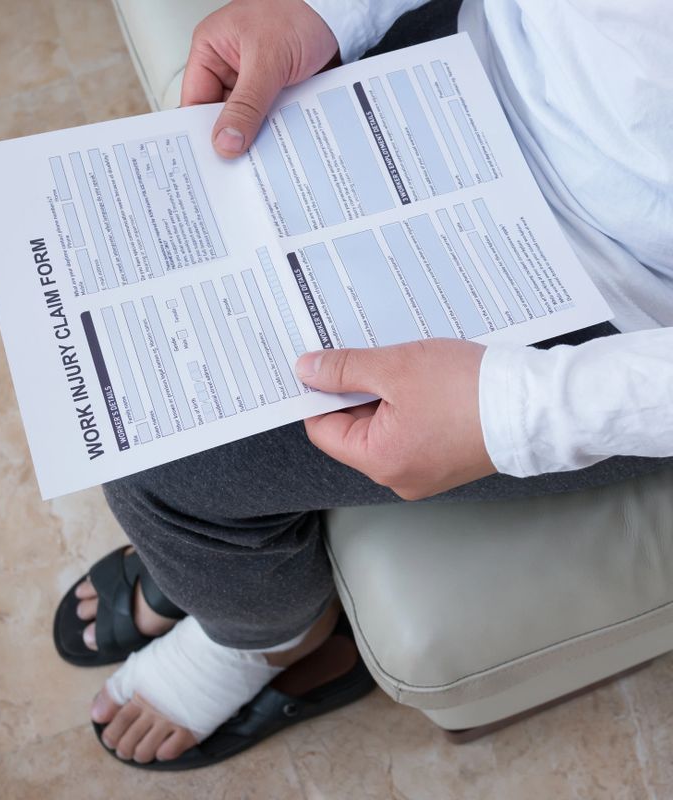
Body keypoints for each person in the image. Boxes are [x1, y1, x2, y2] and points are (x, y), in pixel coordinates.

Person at [53, 0, 673, 770]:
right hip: (467, 61)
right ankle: (212, 565)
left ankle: (271, 637)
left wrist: (511, 411)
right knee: (140, 288)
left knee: (161, 457)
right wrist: (328, 10)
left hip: (631, 292)